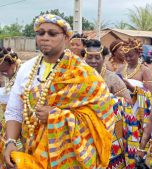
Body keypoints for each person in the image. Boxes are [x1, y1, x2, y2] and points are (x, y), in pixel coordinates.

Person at [3, 14, 114, 169]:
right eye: (40, 33)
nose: (45, 37)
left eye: (52, 33)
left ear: (67, 38)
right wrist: (10, 142)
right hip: (33, 154)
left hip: (70, 159)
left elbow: (104, 118)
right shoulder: (26, 69)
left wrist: (56, 116)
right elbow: (14, 110)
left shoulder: (84, 73)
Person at [84, 39, 138, 168]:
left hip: (109, 130)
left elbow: (127, 101)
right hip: (84, 128)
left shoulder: (112, 78)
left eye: (97, 57)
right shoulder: (78, 76)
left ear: (104, 58)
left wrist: (108, 100)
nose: (93, 61)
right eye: (89, 57)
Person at [118, 39, 152, 142]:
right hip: (123, 108)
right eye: (126, 56)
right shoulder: (120, 69)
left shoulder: (144, 70)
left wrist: (131, 87)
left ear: (138, 53)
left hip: (138, 110)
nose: (128, 59)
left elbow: (149, 93)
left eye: (131, 56)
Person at [0, 47, 22, 168]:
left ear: (13, 64)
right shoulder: (9, 77)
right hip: (7, 125)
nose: (2, 73)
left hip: (21, 126)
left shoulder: (24, 77)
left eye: (4, 70)